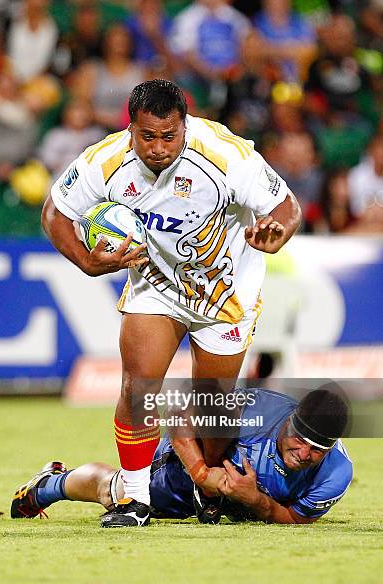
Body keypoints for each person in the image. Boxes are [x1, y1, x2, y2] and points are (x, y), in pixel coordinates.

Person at [41, 79, 301, 528]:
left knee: (212, 409)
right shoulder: (105, 160)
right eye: (147, 136)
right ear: (130, 129)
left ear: (185, 125)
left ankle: (208, 487)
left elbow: (286, 207)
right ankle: (135, 500)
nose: (159, 147)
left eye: (169, 136)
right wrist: (87, 262)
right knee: (138, 387)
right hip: (157, 284)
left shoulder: (226, 154)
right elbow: (55, 212)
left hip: (225, 292)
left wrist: (274, 234)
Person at [11, 388, 353, 526]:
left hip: (241, 498)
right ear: (289, 420)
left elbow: (295, 518)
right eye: (300, 440)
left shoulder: (336, 473)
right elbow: (179, 414)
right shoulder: (255, 409)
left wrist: (257, 502)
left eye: (318, 449)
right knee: (116, 492)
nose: (305, 454)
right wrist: (202, 473)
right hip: (188, 470)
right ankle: (48, 485)